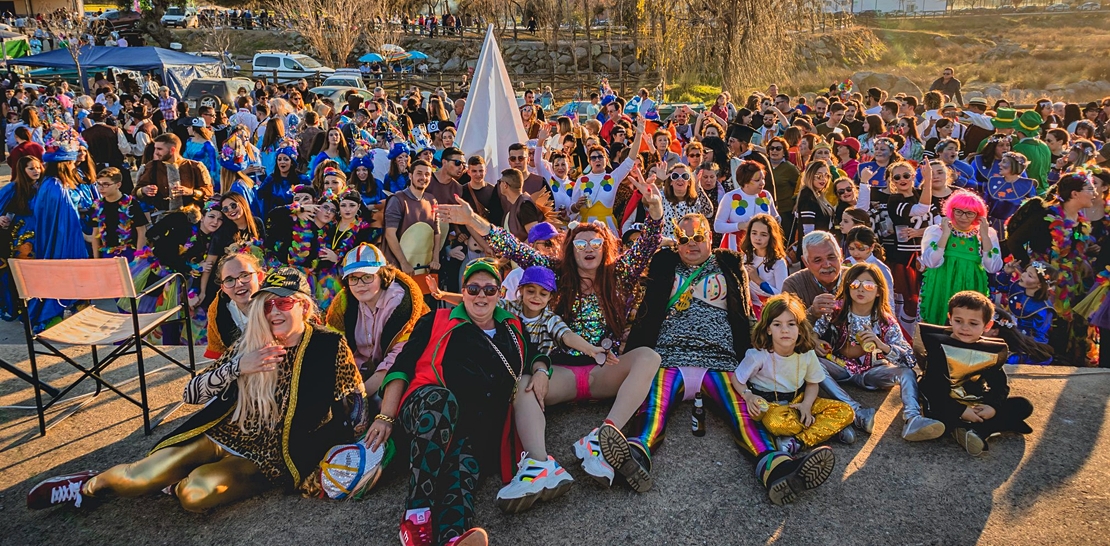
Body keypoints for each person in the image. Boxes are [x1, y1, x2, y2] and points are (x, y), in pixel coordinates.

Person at [27, 268, 370, 512]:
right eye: (266, 304)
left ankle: (175, 480)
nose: (273, 312)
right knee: (137, 478)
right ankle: (87, 485)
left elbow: (354, 404)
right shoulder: (248, 343)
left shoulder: (328, 344)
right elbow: (190, 394)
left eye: (283, 303)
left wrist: (350, 454)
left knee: (195, 495)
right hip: (218, 435)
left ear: (304, 307)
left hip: (264, 459)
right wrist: (239, 366)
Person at [438, 173, 666, 493]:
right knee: (523, 385)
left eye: (596, 242)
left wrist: (655, 213)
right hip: (563, 374)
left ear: (605, 247)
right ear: (571, 250)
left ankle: (603, 437)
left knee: (649, 358)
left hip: (605, 369)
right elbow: (517, 249)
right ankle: (539, 464)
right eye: (581, 243)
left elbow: (647, 246)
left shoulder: (620, 274)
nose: (588, 248)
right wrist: (472, 219)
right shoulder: (556, 273)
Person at [611, 213, 835, 505]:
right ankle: (634, 454)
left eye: (698, 237)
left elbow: (743, 311)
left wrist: (767, 344)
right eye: (684, 239)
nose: (691, 244)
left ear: (711, 237)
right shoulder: (664, 263)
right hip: (669, 355)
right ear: (675, 242)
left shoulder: (728, 263)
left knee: (744, 409)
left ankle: (776, 467)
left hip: (720, 358)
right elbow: (632, 279)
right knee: (652, 406)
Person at [369, 260, 544, 546]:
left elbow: (535, 355)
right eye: (473, 288)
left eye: (489, 289)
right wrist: (385, 416)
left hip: (474, 429)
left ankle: (452, 538)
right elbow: (402, 366)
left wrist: (540, 371)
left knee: (462, 474)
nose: (481, 296)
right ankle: (415, 516)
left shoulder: (511, 326)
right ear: (462, 291)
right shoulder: (436, 320)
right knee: (443, 401)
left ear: (499, 293)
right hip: (428, 411)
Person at [730, 294, 843, 499]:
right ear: (767, 328)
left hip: (798, 403)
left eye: (791, 324)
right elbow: (737, 379)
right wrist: (748, 397)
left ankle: (795, 442)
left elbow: (812, 383)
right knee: (775, 423)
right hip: (770, 404)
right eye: (777, 324)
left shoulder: (807, 354)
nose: (784, 330)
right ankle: (819, 431)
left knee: (845, 410)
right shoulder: (759, 355)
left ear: (800, 328)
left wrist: (807, 405)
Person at [813, 263, 942, 441]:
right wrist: (817, 342)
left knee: (906, 373)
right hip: (840, 367)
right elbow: (813, 334)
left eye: (868, 286)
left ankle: (913, 418)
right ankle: (857, 412)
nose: (860, 289)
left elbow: (909, 360)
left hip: (873, 372)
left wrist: (883, 346)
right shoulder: (835, 312)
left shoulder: (886, 321)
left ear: (879, 291)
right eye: (854, 284)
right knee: (811, 361)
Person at [917, 291, 1034, 456]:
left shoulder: (988, 352)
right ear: (950, 318)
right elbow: (932, 387)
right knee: (935, 411)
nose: (965, 328)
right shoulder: (939, 346)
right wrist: (960, 411)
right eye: (958, 321)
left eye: (973, 323)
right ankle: (981, 428)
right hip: (946, 402)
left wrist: (992, 406)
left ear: (987, 326)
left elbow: (1000, 386)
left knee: (1023, 405)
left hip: (975, 402)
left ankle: (971, 429)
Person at [1005, 172, 1098, 365]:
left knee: (1069, 322)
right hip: (1044, 282)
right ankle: (1043, 355)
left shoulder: (1081, 222)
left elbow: (1075, 253)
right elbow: (1014, 241)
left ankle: (1065, 358)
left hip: (1071, 283)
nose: (1095, 193)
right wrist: (1029, 266)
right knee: (1045, 319)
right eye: (1090, 189)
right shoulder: (1045, 217)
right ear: (1074, 194)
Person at [325, 243, 429, 394]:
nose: (360, 285)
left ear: (382, 275)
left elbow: (399, 358)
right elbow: (332, 345)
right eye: (353, 278)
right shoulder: (344, 302)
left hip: (396, 374)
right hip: (355, 374)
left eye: (367, 277)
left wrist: (360, 395)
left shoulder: (400, 303)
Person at [148, 202, 224, 344]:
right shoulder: (184, 230)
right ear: (202, 217)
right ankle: (169, 350)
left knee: (186, 319)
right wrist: (192, 267)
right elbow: (166, 255)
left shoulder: (213, 240)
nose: (215, 222)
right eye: (212, 216)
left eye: (220, 219)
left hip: (188, 282)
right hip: (170, 277)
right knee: (169, 319)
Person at [383, 160, 444, 276]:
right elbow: (390, 234)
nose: (423, 177)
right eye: (419, 173)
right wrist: (404, 263)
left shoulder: (432, 200)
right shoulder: (397, 200)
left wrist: (435, 258)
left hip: (424, 266)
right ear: (410, 175)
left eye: (427, 174)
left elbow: (436, 232)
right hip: (399, 269)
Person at [134, 134, 215, 214]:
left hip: (190, 216)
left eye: (159, 149)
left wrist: (191, 192)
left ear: (172, 150)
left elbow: (209, 192)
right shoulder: (151, 166)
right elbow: (136, 191)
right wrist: (143, 190)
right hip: (161, 217)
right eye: (155, 148)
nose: (155, 152)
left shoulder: (195, 166)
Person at [715, 160, 778, 251]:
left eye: (763, 179)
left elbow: (775, 216)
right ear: (745, 181)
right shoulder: (730, 197)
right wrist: (740, 226)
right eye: (757, 180)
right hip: (735, 245)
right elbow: (718, 226)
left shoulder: (766, 195)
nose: (762, 183)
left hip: (762, 245)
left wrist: (776, 220)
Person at [740, 213, 789, 317]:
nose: (757, 238)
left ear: (772, 236)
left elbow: (782, 295)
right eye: (754, 233)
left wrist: (758, 280)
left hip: (770, 312)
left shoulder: (778, 262)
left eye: (763, 234)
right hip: (749, 310)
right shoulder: (746, 256)